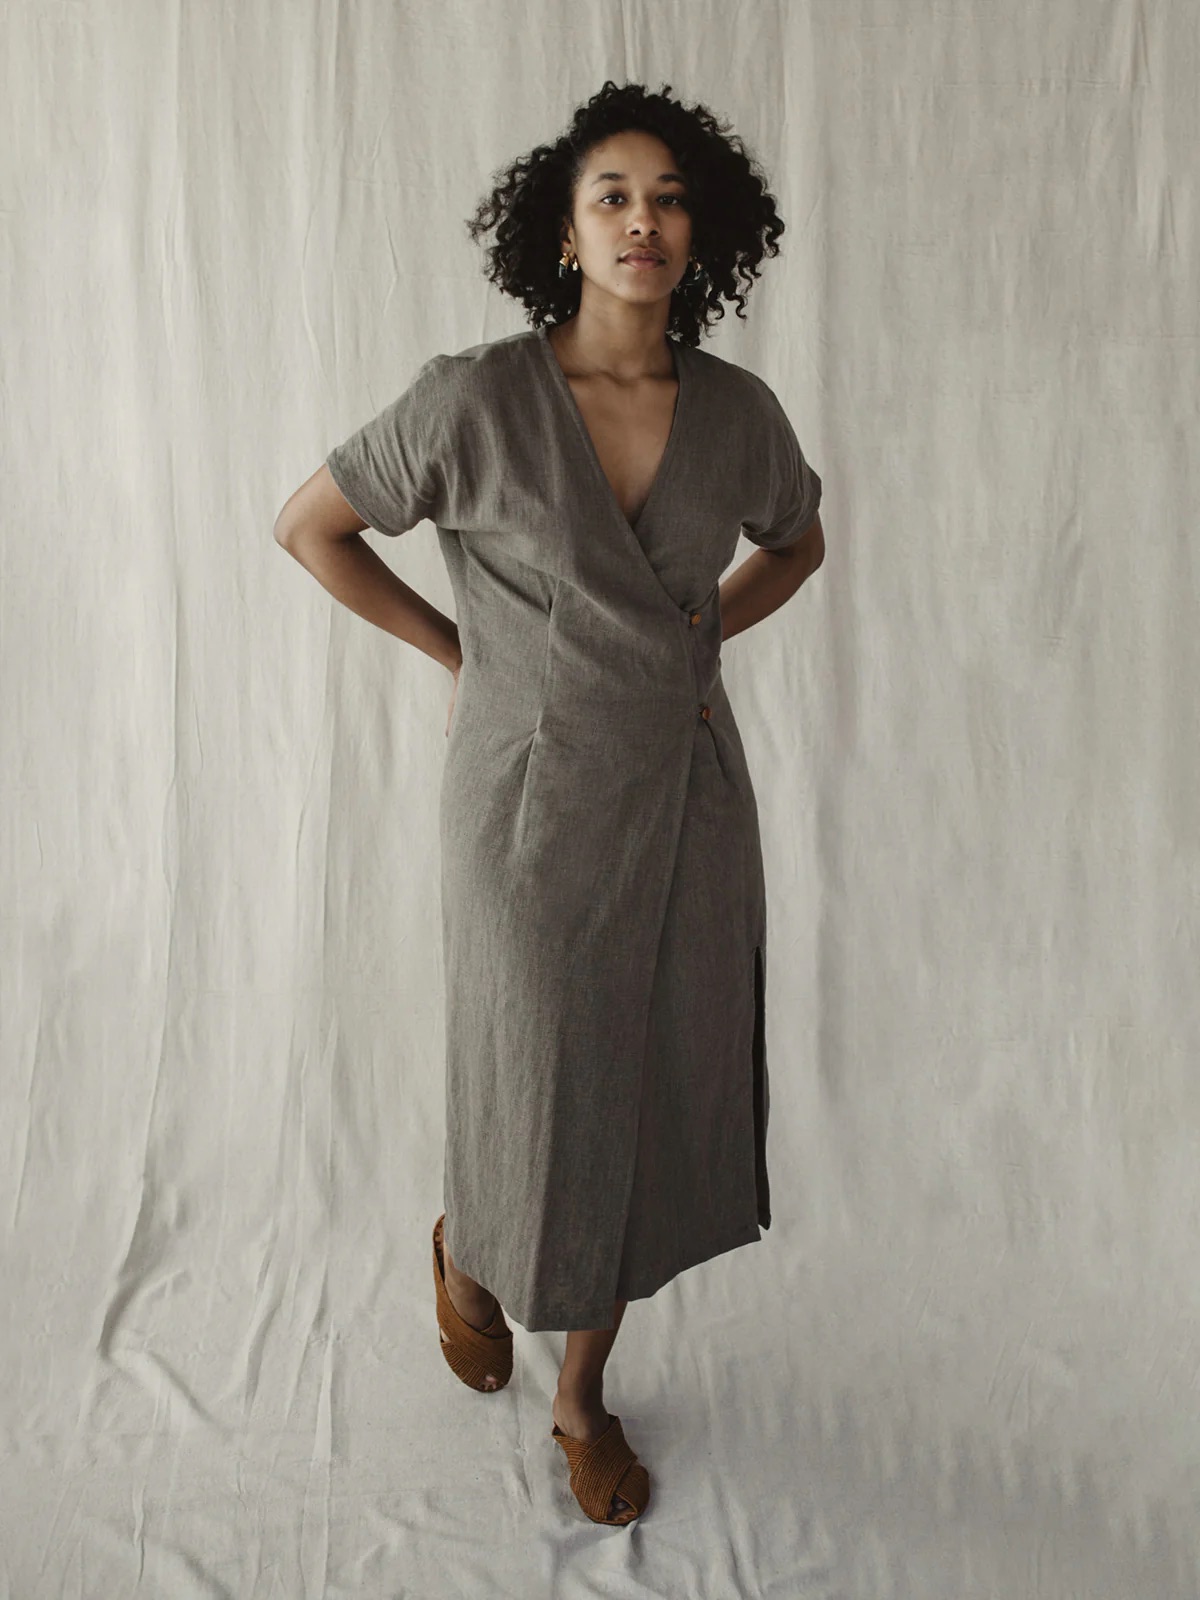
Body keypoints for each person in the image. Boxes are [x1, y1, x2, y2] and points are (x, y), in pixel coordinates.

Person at [273, 80, 825, 1527]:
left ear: (706, 235)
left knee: (653, 1086)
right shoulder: (474, 398)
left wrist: (694, 637)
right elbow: (308, 526)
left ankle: (579, 1395)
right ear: (565, 232)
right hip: (524, 800)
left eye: (671, 198)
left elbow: (798, 543)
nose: (645, 221)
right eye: (614, 197)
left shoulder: (741, 415)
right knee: (541, 1072)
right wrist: (456, 648)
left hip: (687, 792)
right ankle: (469, 1246)